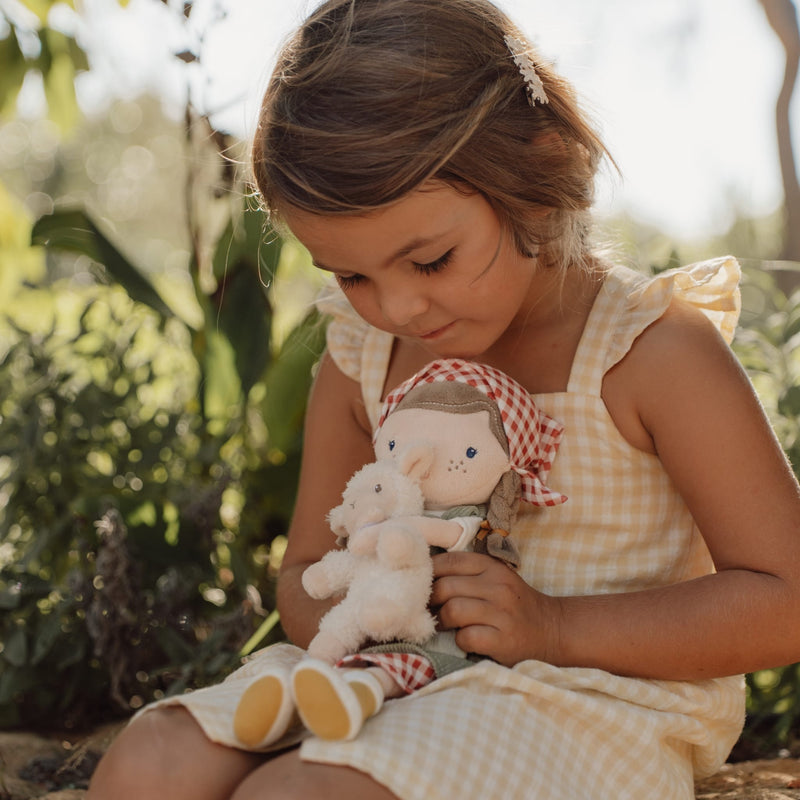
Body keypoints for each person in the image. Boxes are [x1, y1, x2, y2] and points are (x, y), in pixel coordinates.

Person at [87, 0, 800, 797]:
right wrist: (380, 614)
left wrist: (553, 627)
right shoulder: (363, 358)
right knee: (152, 758)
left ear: (539, 161)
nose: (397, 310)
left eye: (429, 261)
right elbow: (302, 576)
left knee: (294, 795)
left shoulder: (650, 353)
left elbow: (785, 597)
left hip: (589, 699)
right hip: (387, 670)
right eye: (352, 275)